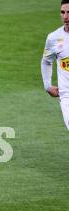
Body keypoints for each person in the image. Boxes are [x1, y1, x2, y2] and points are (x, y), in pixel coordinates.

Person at [41, 0, 69, 130]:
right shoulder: (54, 37)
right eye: (63, 12)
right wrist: (47, 85)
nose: (65, 17)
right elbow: (46, 61)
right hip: (66, 95)